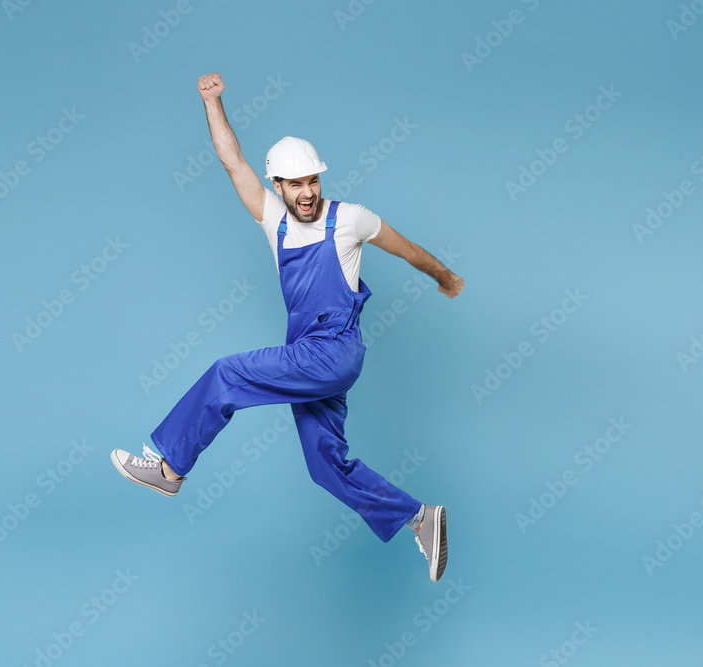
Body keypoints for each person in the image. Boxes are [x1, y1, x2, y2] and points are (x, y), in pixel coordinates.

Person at [112, 72, 464, 581]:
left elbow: (406, 248)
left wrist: (445, 276)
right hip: (307, 355)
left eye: (312, 181)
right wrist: (213, 102)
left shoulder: (350, 219)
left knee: (225, 375)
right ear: (278, 186)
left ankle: (168, 468)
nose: (306, 192)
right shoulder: (273, 221)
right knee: (324, 464)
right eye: (296, 184)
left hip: (333, 350)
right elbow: (233, 162)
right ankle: (419, 518)